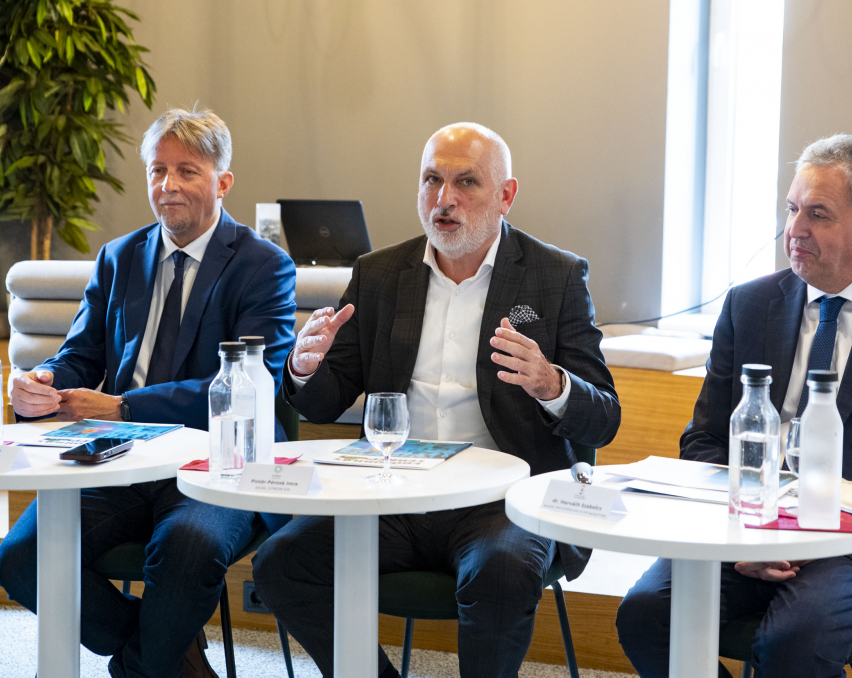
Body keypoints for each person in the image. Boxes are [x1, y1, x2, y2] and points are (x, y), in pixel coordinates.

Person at [252, 122, 621, 677]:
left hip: (502, 501)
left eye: (466, 182)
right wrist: (304, 368)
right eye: (431, 180)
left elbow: (604, 419)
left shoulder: (556, 276)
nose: (444, 199)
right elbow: (325, 403)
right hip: (392, 491)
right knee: (282, 563)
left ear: (506, 195)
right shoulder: (379, 274)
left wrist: (552, 384)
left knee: (502, 572)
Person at [616, 134, 852, 678]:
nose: (794, 229)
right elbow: (704, 441)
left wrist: (827, 529)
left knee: (794, 639)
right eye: (792, 209)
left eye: (818, 214)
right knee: (646, 615)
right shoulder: (749, 304)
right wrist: (745, 533)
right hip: (749, 528)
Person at [0, 108, 297, 678]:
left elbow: (250, 386)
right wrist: (42, 382)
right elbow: (80, 355)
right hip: (118, 458)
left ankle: (143, 666)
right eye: (158, 170)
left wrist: (124, 407)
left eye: (187, 170)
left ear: (223, 182)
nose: (168, 185)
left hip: (218, 461)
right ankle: (170, 652)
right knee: (21, 559)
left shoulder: (264, 266)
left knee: (187, 550)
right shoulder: (119, 257)